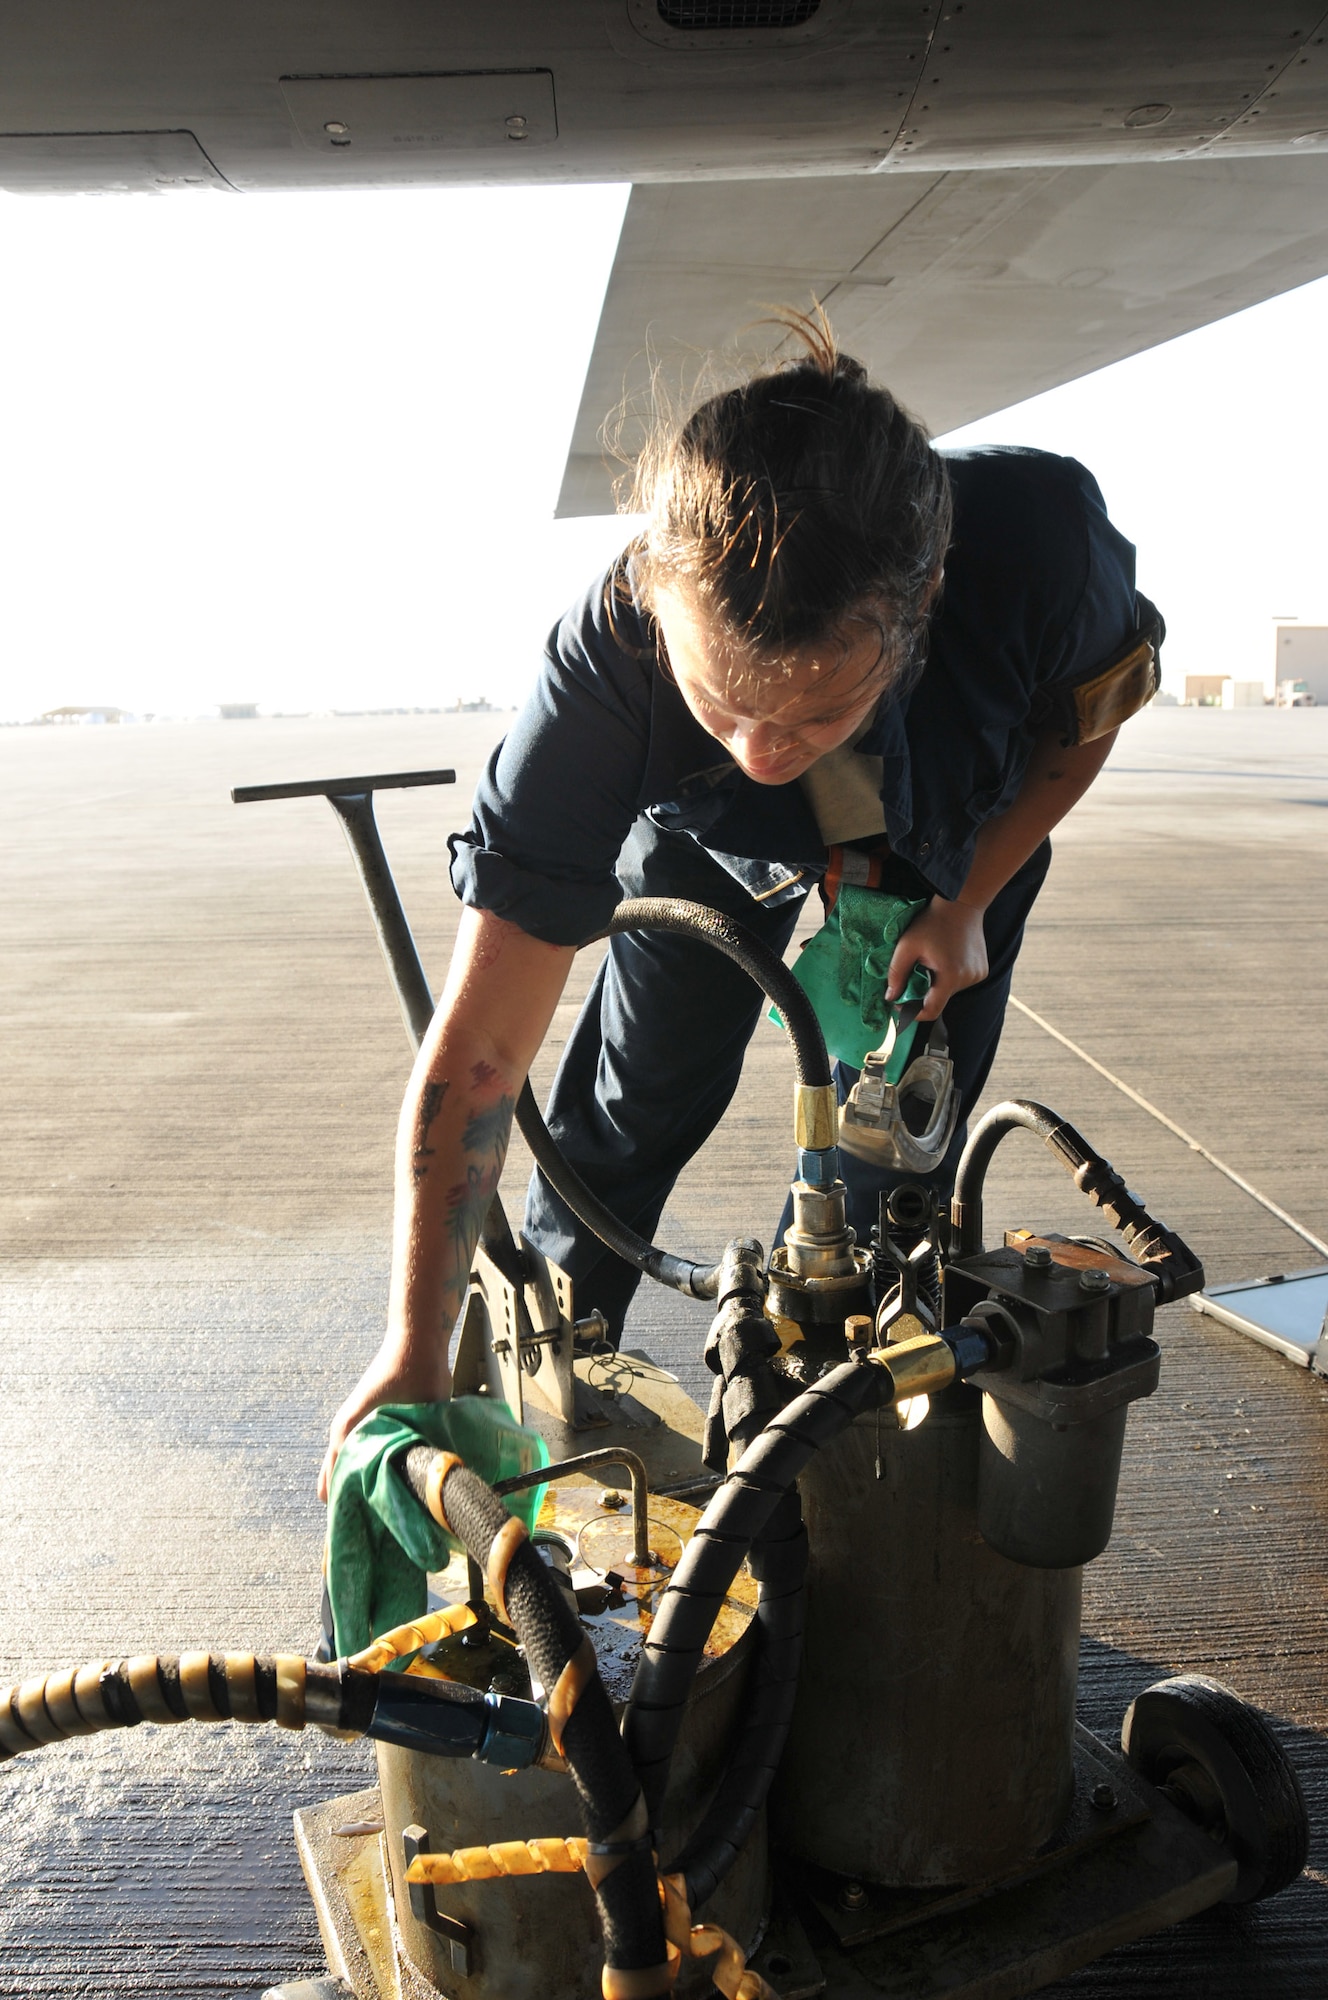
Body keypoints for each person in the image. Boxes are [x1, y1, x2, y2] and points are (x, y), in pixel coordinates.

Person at [317, 312, 1160, 1498]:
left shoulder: (1040, 548)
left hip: (951, 849)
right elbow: (480, 1054)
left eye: (814, 715)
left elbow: (1084, 732)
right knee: (637, 1093)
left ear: (922, 596)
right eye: (722, 707)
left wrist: (967, 900)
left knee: (892, 1163)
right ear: (658, 603)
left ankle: (818, 1443)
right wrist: (412, 1341)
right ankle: (558, 1374)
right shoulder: (603, 671)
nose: (765, 749)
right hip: (711, 852)